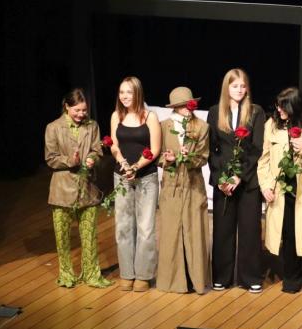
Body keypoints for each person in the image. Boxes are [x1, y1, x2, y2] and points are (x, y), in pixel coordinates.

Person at [258, 87, 302, 293]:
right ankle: (292, 278)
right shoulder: (272, 125)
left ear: (295, 106)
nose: (279, 110)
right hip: (283, 189)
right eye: (278, 106)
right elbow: (264, 159)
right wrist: (266, 185)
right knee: (288, 233)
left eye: (283, 106)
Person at [43, 89, 114, 288]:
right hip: (62, 189)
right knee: (63, 237)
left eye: (84, 110)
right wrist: (70, 161)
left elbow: (97, 150)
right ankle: (66, 274)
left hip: (87, 188)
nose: (81, 114)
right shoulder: (53, 128)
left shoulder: (92, 126)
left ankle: (91, 274)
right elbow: (50, 158)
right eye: (77, 110)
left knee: (89, 235)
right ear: (67, 106)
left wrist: (91, 158)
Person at [206, 69, 266, 292]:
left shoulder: (256, 112)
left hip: (247, 180)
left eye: (243, 86)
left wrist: (239, 175)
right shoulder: (215, 112)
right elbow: (212, 149)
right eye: (235, 86)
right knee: (222, 230)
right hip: (223, 181)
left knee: (250, 230)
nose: (239, 90)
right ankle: (221, 276)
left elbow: (257, 148)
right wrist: (221, 178)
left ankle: (250, 277)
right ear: (227, 88)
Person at [155, 87, 211, 293]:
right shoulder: (163, 126)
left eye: (188, 105)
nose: (187, 109)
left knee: (194, 231)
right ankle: (173, 281)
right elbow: (157, 156)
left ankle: (195, 279)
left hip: (193, 185)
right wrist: (168, 160)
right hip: (171, 186)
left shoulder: (201, 126)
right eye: (181, 106)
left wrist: (188, 158)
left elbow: (203, 157)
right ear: (175, 107)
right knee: (171, 233)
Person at [108, 76, 161, 291]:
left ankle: (144, 275)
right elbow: (114, 145)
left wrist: (136, 167)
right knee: (123, 225)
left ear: (137, 93)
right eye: (121, 92)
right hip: (121, 176)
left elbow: (155, 149)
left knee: (145, 227)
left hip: (146, 177)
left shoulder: (150, 117)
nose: (124, 96)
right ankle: (127, 273)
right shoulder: (116, 116)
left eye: (129, 92)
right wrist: (123, 163)